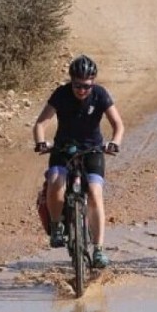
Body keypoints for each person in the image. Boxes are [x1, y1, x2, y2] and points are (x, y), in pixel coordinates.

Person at [33, 54, 124, 269]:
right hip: (63, 149)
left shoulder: (100, 95)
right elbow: (40, 124)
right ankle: (57, 228)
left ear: (93, 83)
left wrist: (115, 143)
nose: (82, 90)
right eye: (77, 85)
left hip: (92, 150)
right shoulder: (61, 95)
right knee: (56, 180)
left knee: (94, 192)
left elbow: (118, 124)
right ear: (71, 81)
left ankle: (99, 249)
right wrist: (40, 142)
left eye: (86, 86)